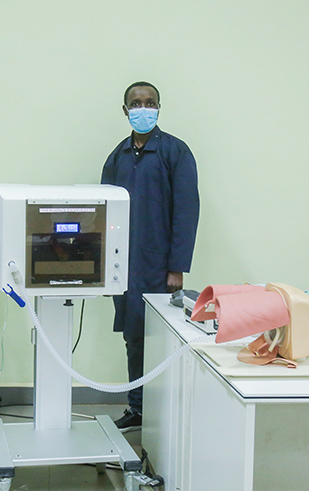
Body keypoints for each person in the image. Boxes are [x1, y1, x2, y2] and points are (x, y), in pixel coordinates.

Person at [101, 81, 200, 430]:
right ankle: (138, 407)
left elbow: (187, 213)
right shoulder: (118, 157)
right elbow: (104, 212)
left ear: (159, 107)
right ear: (125, 110)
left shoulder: (176, 152)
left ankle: (166, 410)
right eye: (136, 103)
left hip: (159, 266)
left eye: (150, 102)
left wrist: (177, 267)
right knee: (134, 335)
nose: (143, 109)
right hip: (124, 265)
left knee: (161, 337)